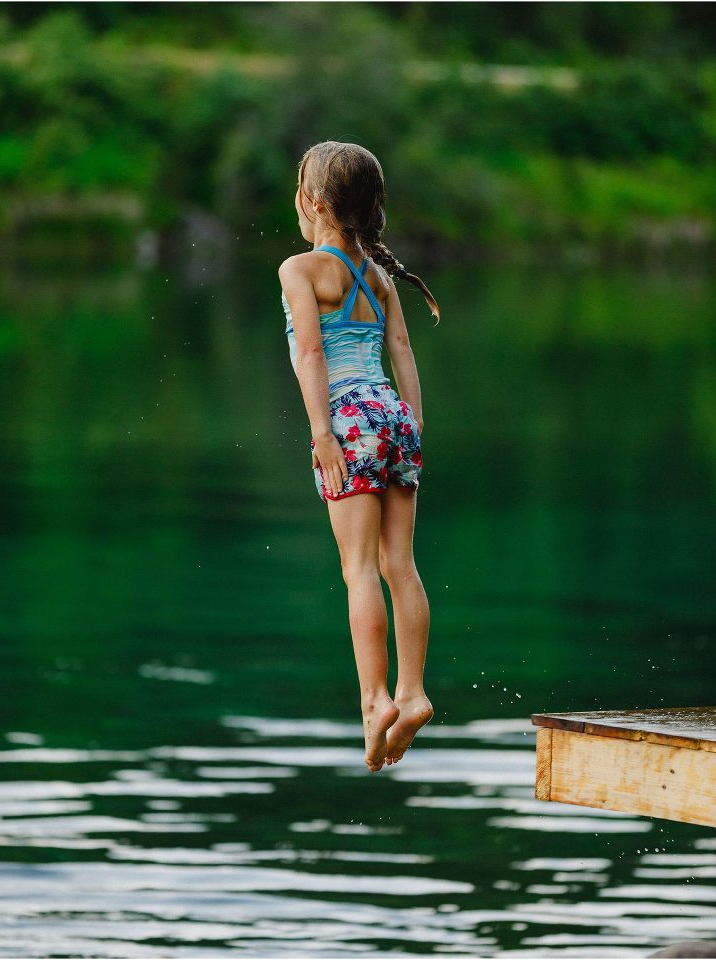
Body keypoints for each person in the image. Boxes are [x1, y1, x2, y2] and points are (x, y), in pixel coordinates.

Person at [278, 141, 440, 774]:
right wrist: (413, 423)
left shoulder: (301, 270)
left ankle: (375, 702)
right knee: (399, 562)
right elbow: (401, 349)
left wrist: (322, 432)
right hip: (393, 417)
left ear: (314, 203)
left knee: (358, 570)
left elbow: (311, 356)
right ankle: (413, 691)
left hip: (346, 420)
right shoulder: (376, 274)